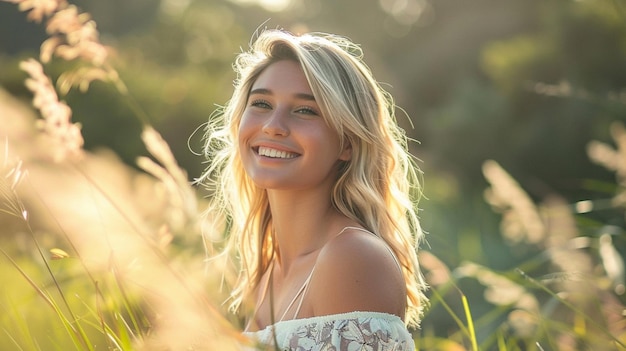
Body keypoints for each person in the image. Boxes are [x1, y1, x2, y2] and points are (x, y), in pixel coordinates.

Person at [199, 29, 428, 350]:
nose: (273, 125)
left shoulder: (353, 257)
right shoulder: (267, 274)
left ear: (347, 143)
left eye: (305, 110)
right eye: (262, 103)